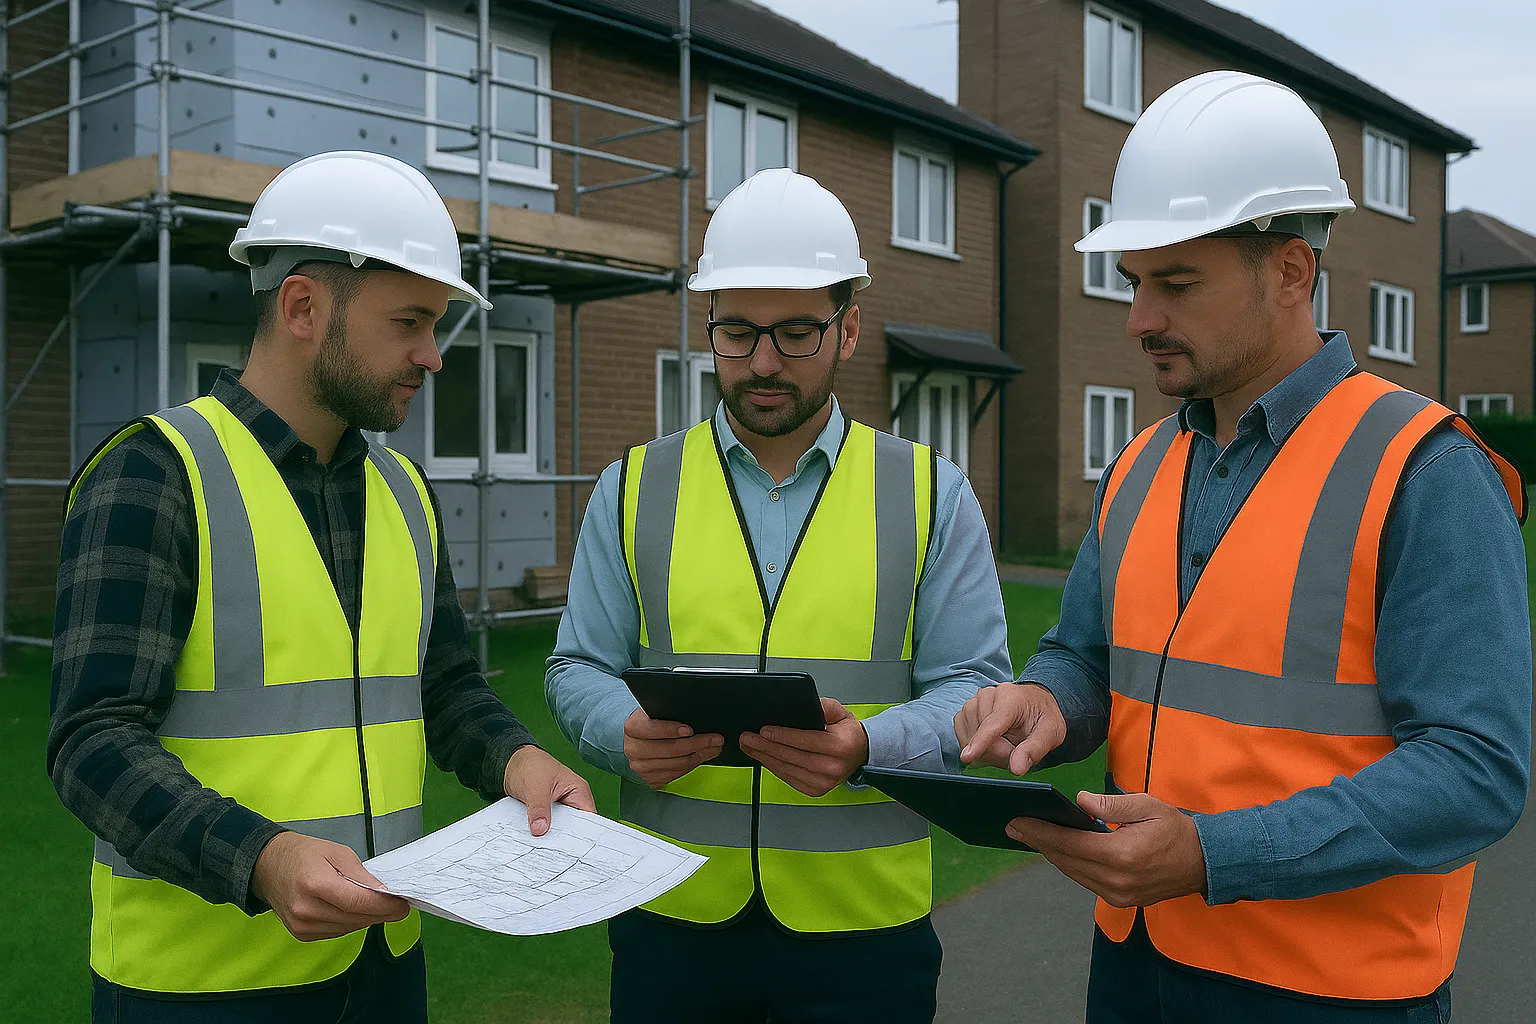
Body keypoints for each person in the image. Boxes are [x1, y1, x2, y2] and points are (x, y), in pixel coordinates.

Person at [957, 71, 1530, 1023]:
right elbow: (1085, 656)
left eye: (1177, 284)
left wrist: (1214, 854)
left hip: (1334, 993)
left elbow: (1477, 769)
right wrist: (1044, 701)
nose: (1140, 319)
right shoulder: (1141, 464)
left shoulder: (1425, 470)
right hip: (1136, 969)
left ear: (1293, 273)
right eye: (1136, 282)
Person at [49, 150, 595, 1024]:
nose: (433, 355)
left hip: (383, 968)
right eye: (410, 322)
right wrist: (259, 858)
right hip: (200, 988)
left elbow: (445, 688)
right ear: (302, 305)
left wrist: (516, 759)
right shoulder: (154, 476)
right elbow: (91, 743)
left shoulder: (405, 493)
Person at [545, 167, 1011, 1023]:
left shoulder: (930, 494)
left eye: (796, 331)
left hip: (863, 930)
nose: (762, 361)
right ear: (709, 326)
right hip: (670, 917)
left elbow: (977, 691)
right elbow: (578, 665)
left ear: (850, 328)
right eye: (736, 331)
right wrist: (621, 731)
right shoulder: (631, 487)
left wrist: (870, 745)